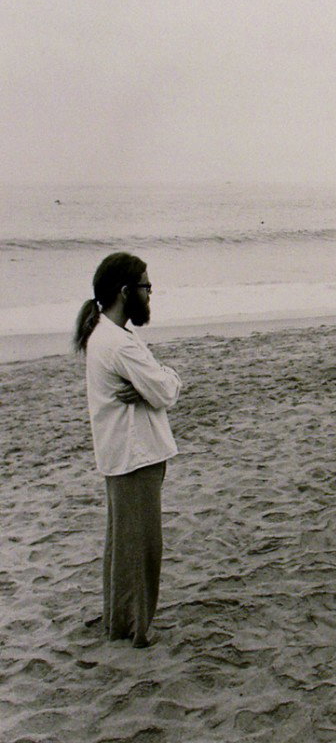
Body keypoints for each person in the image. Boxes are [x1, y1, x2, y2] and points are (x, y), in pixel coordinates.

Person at [74, 252, 182, 647]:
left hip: (122, 451)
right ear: (125, 292)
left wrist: (150, 385)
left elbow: (155, 387)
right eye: (145, 287)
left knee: (123, 543)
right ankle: (136, 629)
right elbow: (166, 391)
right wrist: (163, 379)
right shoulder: (119, 343)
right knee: (142, 547)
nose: (150, 294)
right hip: (135, 455)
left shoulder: (104, 334)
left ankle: (120, 621)